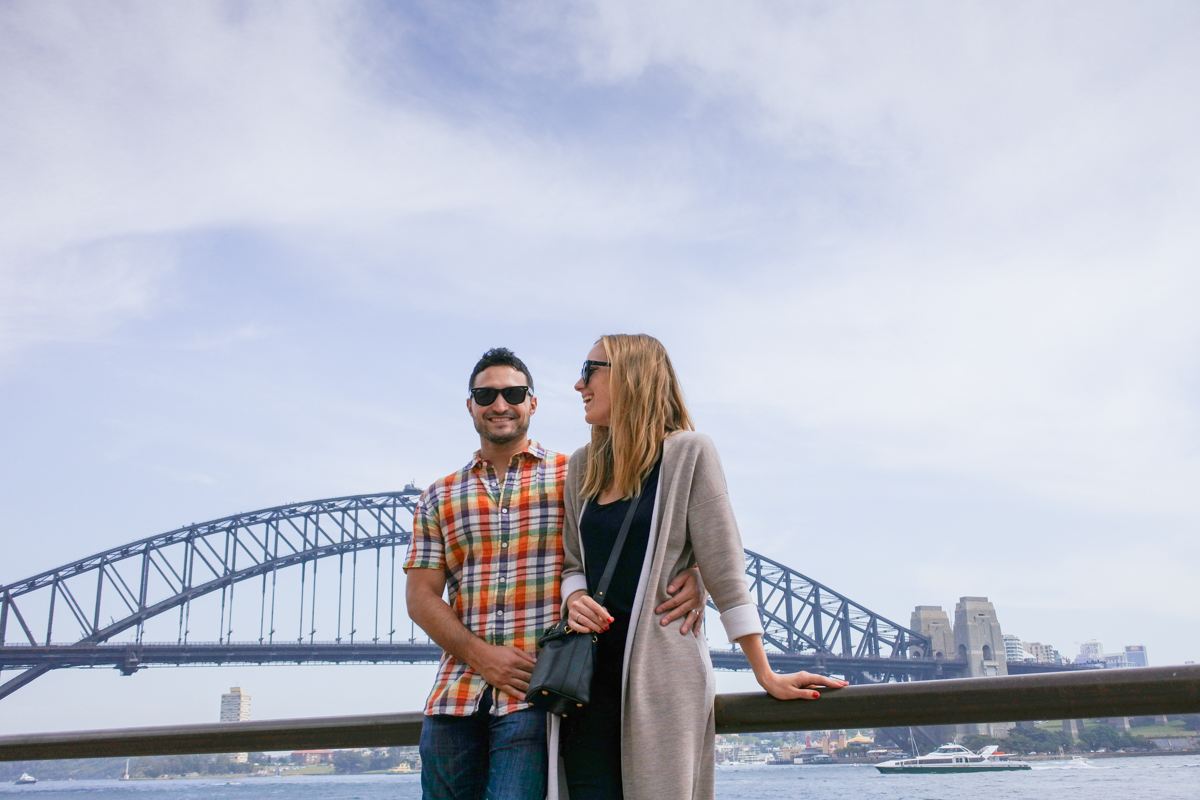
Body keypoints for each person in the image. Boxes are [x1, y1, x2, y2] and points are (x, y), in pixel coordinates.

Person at [404, 347, 707, 800]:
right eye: (485, 394)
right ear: (470, 404)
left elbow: (657, 514)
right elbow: (421, 598)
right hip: (453, 700)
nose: (500, 404)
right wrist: (480, 654)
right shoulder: (439, 496)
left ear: (533, 402)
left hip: (536, 697)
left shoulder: (579, 473)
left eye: (513, 392)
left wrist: (696, 568)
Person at [558, 334, 848, 800]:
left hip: (663, 683)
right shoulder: (581, 467)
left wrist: (765, 673)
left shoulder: (689, 453)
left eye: (589, 369)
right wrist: (574, 596)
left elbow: (725, 568)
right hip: (584, 686)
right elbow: (573, 561)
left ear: (631, 374)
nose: (578, 384)